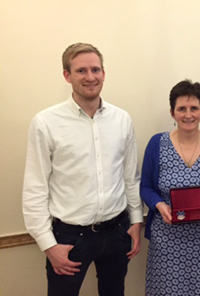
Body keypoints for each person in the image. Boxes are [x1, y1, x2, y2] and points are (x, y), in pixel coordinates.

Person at [22, 43, 143, 296]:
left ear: (104, 73)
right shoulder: (46, 123)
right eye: (81, 71)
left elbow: (130, 177)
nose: (90, 77)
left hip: (117, 230)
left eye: (96, 69)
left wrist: (135, 221)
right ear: (67, 75)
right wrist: (48, 245)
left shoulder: (122, 120)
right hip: (69, 237)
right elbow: (35, 188)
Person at [140, 79, 200, 295]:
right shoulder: (157, 144)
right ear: (172, 112)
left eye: (194, 108)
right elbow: (145, 186)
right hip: (167, 240)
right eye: (181, 109)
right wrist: (158, 204)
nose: (188, 115)